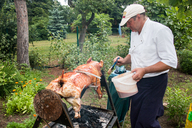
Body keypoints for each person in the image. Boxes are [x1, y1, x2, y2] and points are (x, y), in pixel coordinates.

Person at [113, 4, 178, 128]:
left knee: (147, 121)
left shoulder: (160, 30)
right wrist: (124, 60)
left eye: (129, 22)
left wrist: (145, 70)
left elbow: (170, 61)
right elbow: (133, 53)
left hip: (154, 83)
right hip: (137, 81)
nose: (128, 26)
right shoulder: (134, 32)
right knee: (136, 118)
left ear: (138, 17)